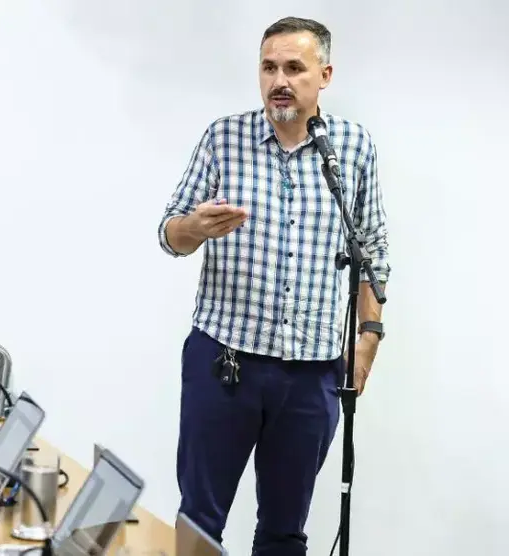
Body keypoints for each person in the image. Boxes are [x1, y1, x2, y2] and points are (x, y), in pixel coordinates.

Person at [158, 17, 389, 556]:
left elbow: (372, 251)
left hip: (312, 374)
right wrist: (195, 227)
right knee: (199, 519)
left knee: (286, 530)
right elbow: (170, 234)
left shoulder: (352, 149)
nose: (278, 80)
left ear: (324, 75)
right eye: (268, 67)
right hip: (225, 363)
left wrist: (370, 338)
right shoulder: (224, 138)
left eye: (293, 67)